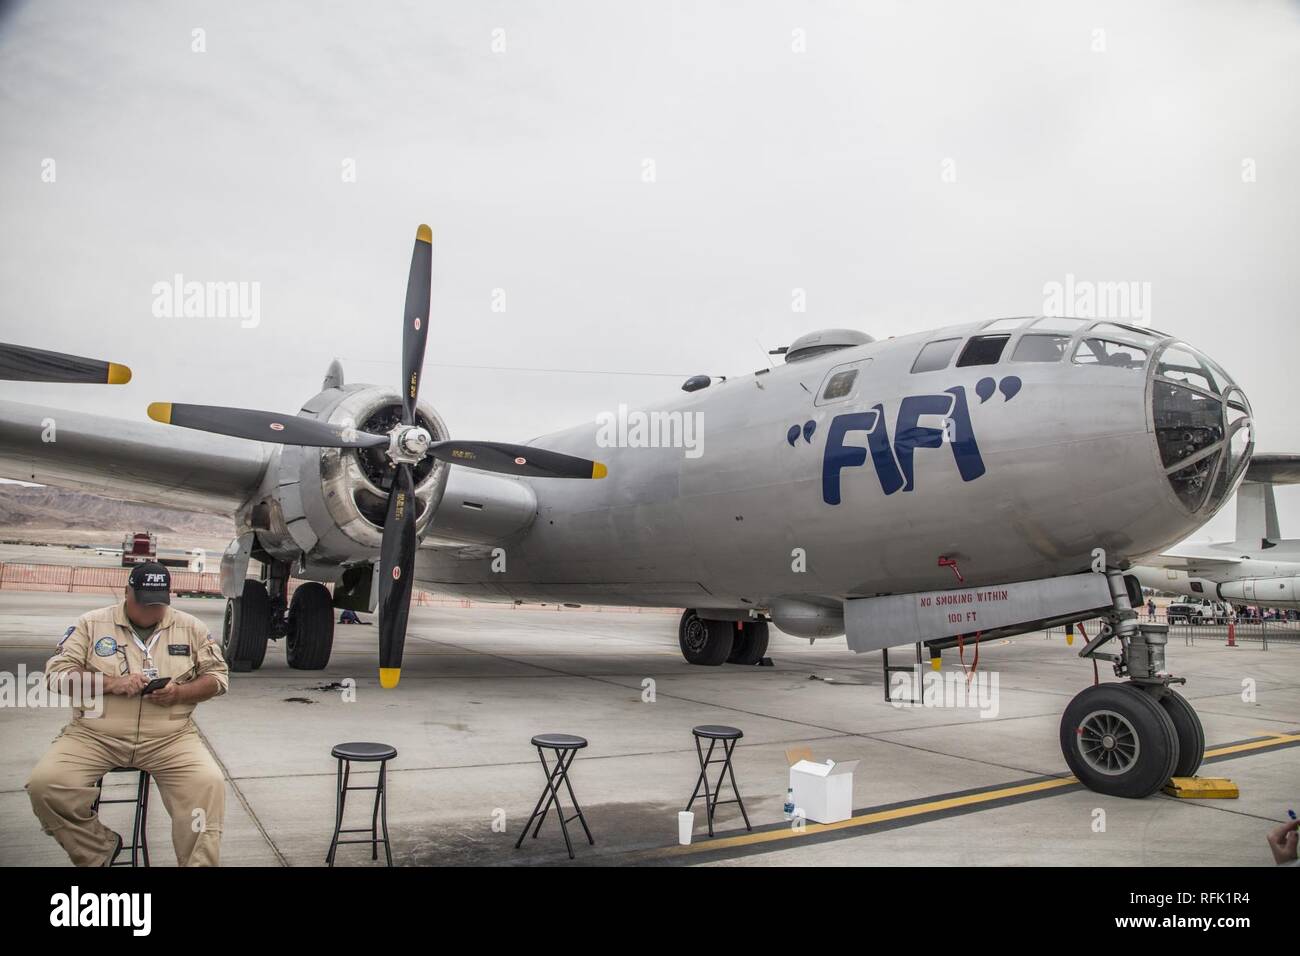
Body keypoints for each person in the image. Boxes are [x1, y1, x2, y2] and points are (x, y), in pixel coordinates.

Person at [26, 562, 229, 866]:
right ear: (126, 592)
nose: (151, 611)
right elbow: (57, 676)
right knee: (46, 786)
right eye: (144, 603)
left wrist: (179, 692)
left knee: (208, 785)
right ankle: (98, 849)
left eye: (159, 604)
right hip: (95, 734)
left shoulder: (192, 628)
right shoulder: (91, 624)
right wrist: (112, 683)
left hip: (169, 738)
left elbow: (218, 679)